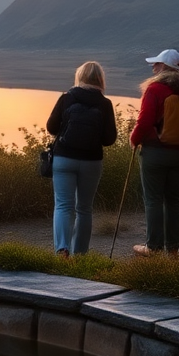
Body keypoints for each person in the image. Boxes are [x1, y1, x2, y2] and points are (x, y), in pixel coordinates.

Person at [129, 49, 179, 255]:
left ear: (164, 67)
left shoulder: (155, 89)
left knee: (153, 199)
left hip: (155, 153)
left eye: (156, 64)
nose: (153, 68)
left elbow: (144, 121)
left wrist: (134, 140)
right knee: (174, 199)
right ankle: (172, 250)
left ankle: (152, 247)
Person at [46, 61, 119, 256]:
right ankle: (80, 255)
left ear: (79, 76)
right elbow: (109, 139)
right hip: (91, 162)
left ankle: (62, 250)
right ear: (100, 80)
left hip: (64, 159)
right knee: (84, 209)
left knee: (63, 205)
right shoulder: (105, 104)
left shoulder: (66, 98)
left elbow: (51, 128)